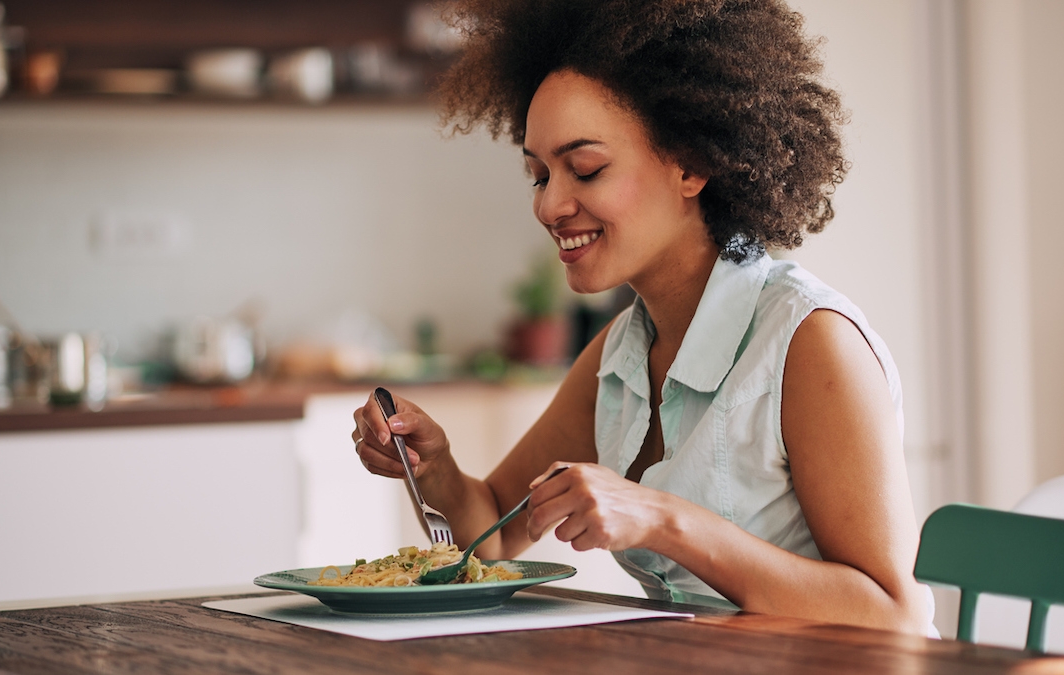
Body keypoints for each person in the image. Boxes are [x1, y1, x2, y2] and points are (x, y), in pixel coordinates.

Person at [352, 0, 935, 634]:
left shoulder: (810, 341)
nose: (551, 205)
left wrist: (660, 518)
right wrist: (433, 468)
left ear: (691, 164)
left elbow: (893, 613)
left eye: (585, 168)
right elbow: (492, 533)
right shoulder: (622, 352)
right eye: (539, 175)